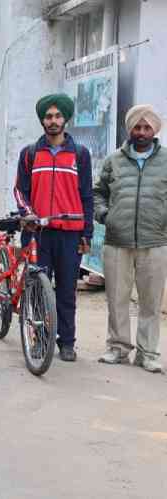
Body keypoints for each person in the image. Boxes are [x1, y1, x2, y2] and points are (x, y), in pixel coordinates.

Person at [14, 93, 93, 362]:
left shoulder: (80, 154)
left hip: (70, 234)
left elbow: (87, 196)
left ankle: (67, 342)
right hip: (38, 234)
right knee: (36, 289)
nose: (53, 121)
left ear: (66, 119)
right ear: (42, 120)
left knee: (67, 291)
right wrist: (28, 214)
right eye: (48, 116)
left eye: (58, 116)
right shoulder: (30, 154)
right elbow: (20, 191)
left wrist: (87, 233)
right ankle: (39, 340)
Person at [94, 104, 167, 373]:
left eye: (147, 127)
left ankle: (147, 353)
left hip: (155, 240)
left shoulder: (165, 159)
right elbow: (98, 192)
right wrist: (105, 215)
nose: (142, 132)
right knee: (116, 298)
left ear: (154, 130)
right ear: (130, 129)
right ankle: (118, 348)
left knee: (150, 301)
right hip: (117, 240)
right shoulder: (114, 160)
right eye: (137, 127)